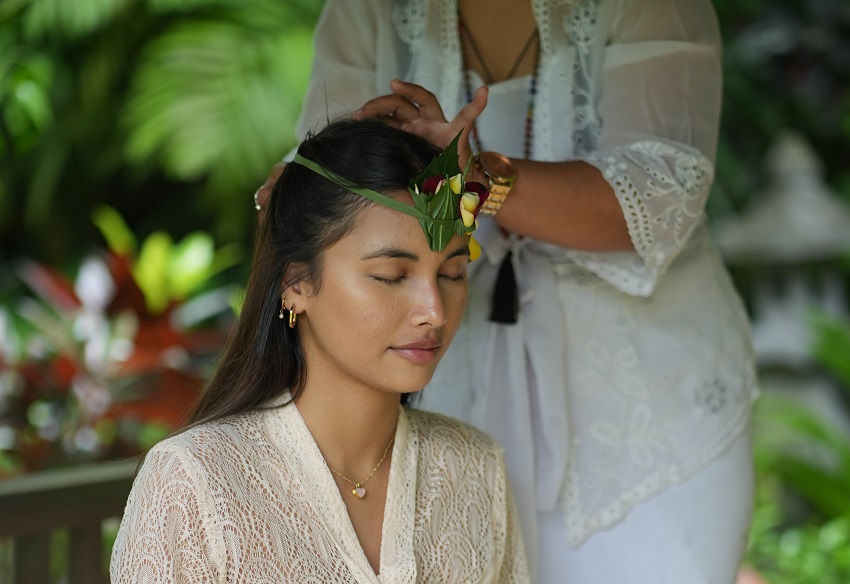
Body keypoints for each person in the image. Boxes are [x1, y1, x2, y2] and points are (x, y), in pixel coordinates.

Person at [254, 0, 760, 582]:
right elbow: (320, 188)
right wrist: (293, 193)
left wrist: (476, 185)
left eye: (443, 272)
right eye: (392, 276)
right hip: (440, 388)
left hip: (645, 411)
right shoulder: (367, 9)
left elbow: (661, 197)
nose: (425, 301)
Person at [110, 119, 530, 583]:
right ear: (296, 284)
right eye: (391, 275)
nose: (434, 311)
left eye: (452, 273)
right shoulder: (194, 482)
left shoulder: (474, 467)